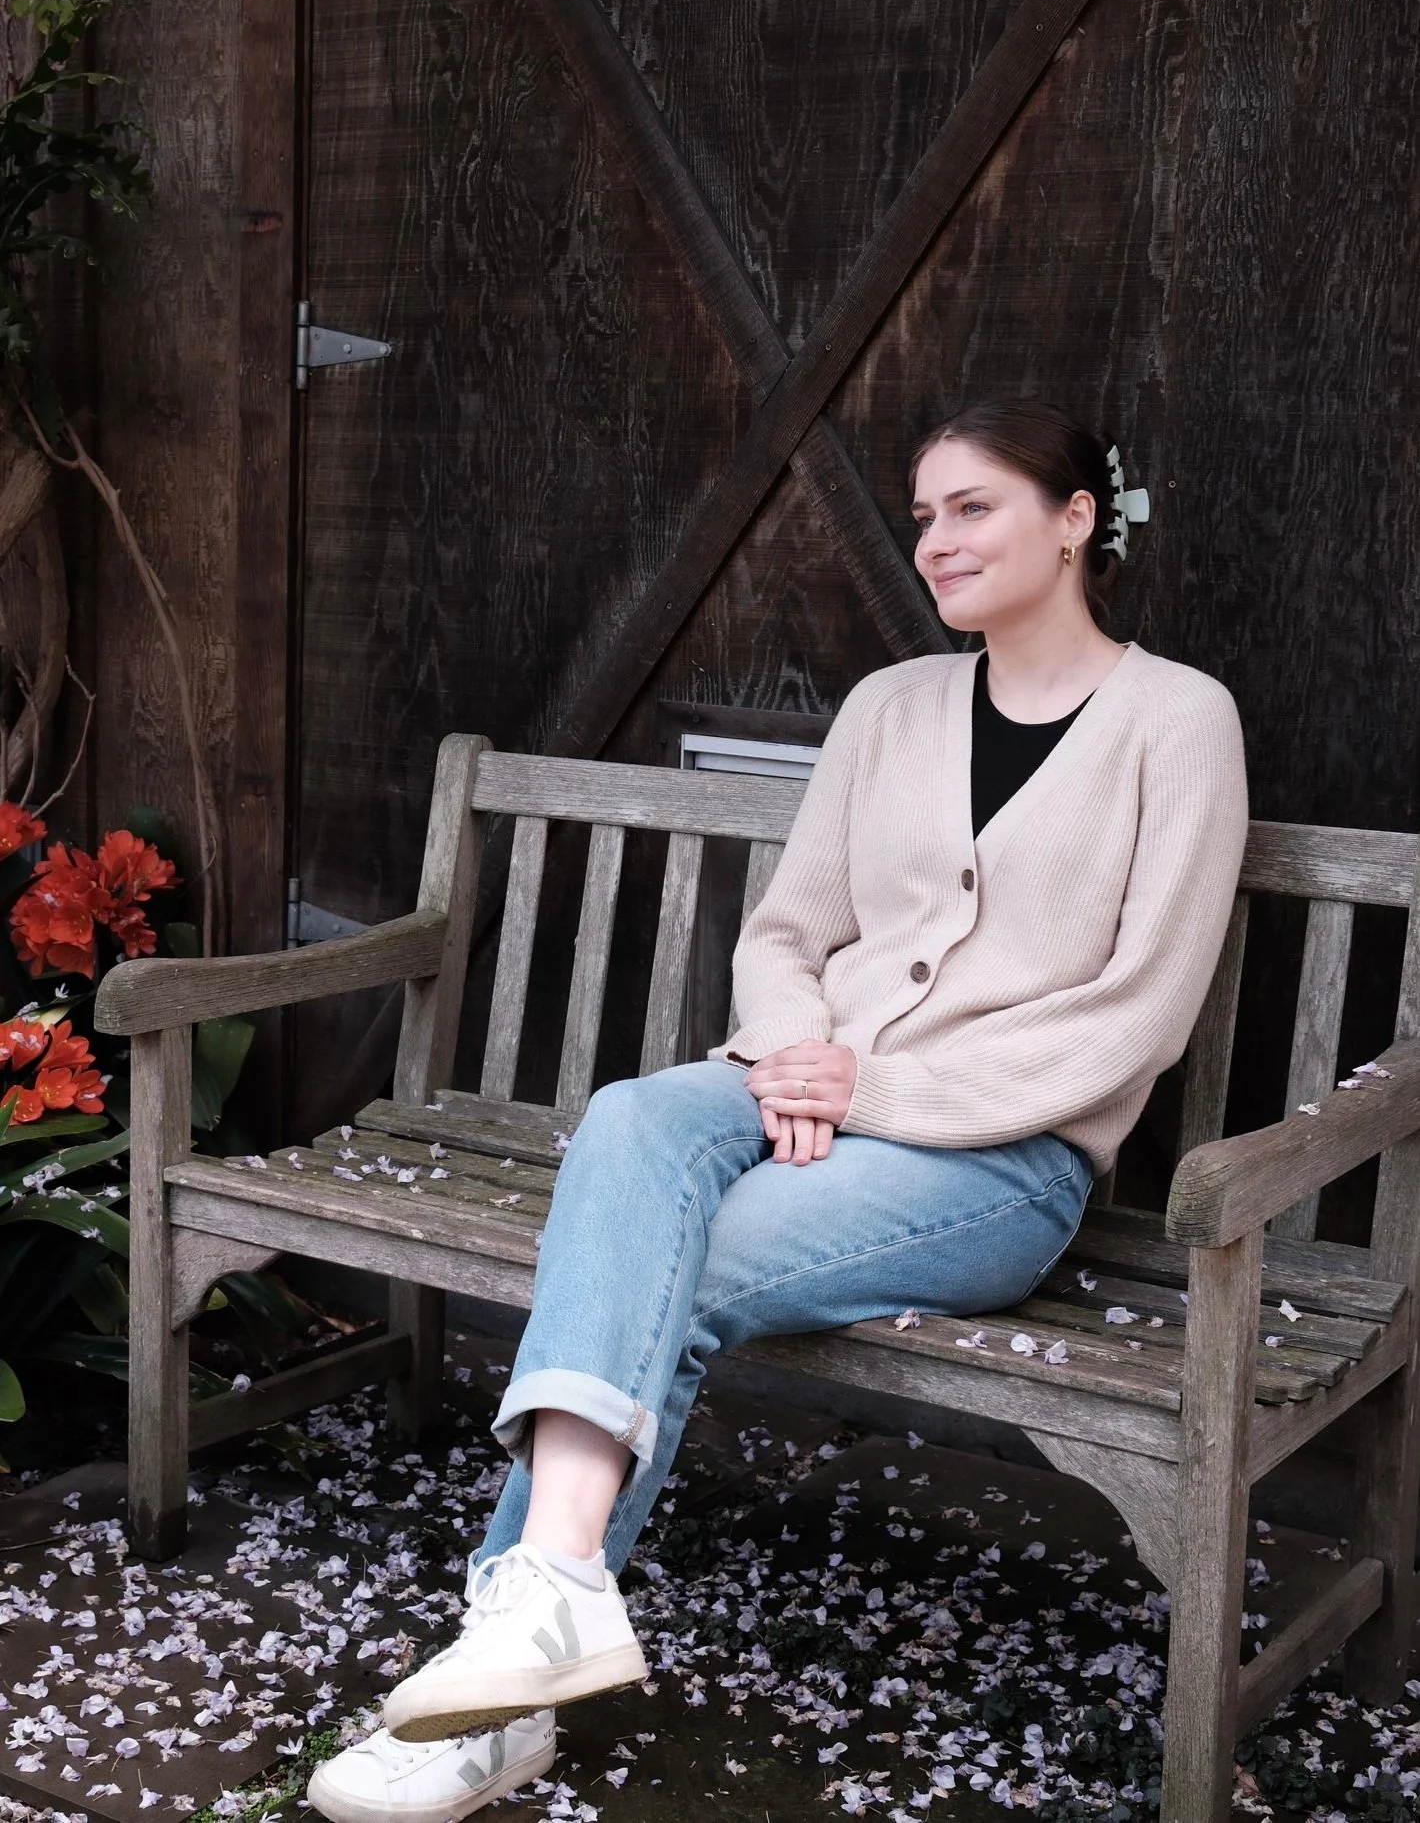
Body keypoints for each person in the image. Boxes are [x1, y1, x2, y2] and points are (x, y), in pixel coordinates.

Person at [307, 400, 1249, 1823]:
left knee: (663, 1274)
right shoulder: (891, 708)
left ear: (1075, 519)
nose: (937, 539)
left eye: (974, 506)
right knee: (631, 1119)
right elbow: (789, 928)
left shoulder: (1180, 722)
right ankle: (548, 1599)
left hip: (1002, 1158)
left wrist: (879, 1087)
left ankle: (487, 1704)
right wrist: (808, 1057)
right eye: (924, 514)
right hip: (799, 1084)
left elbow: (1141, 1009)